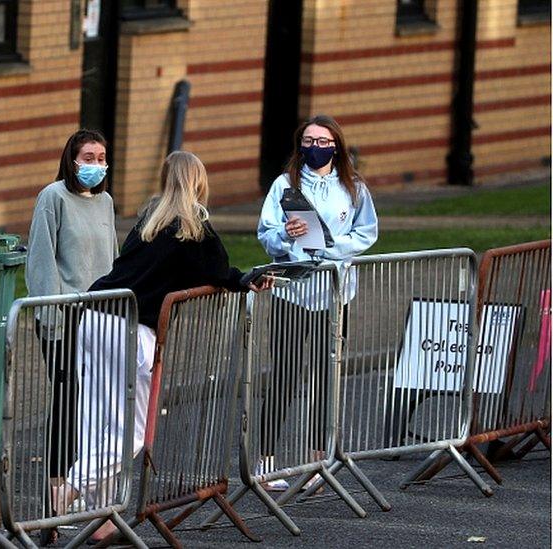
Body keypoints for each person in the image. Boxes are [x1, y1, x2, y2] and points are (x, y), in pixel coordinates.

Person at [54, 151, 270, 540]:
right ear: (198, 182)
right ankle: (70, 489)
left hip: (96, 315)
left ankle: (100, 521)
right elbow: (219, 271)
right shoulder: (193, 223)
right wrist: (246, 279)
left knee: (96, 420)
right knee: (133, 433)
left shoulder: (149, 221)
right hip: (132, 328)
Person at [255, 114, 378, 491]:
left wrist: (329, 247)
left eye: (324, 141)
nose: (316, 147)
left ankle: (316, 460)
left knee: (327, 376)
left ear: (336, 146)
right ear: (300, 145)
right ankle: (266, 460)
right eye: (309, 140)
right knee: (285, 373)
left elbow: (366, 232)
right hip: (291, 293)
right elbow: (265, 233)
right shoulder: (283, 185)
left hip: (334, 293)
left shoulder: (353, 187)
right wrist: (285, 235)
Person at [25, 129, 118, 538]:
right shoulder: (53, 198)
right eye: (88, 156)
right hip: (64, 316)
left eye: (101, 157)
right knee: (67, 403)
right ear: (72, 159)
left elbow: (111, 258)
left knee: (95, 408)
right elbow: (42, 260)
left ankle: (88, 498)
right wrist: (53, 316)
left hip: (101, 317)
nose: (95, 164)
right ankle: (55, 495)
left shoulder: (107, 202)